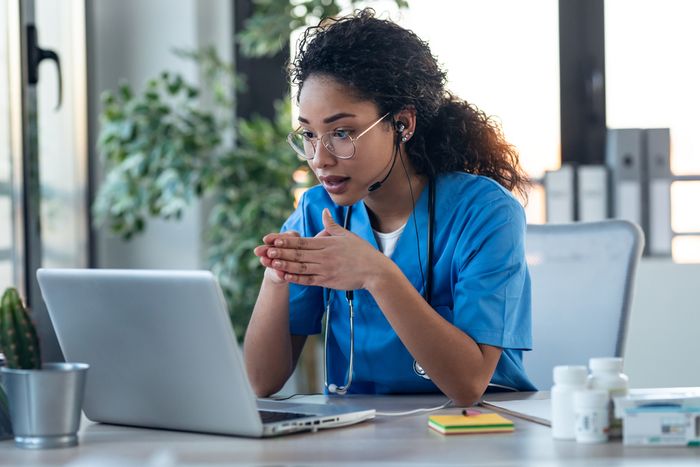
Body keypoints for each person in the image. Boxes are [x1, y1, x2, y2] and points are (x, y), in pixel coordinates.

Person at [244, 8, 535, 406]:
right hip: (362, 434)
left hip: (474, 432)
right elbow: (262, 382)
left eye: (342, 133)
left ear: (403, 124)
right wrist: (275, 281)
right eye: (309, 135)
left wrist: (377, 274)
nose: (319, 158)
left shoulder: (484, 212)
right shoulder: (317, 210)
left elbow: (468, 386)